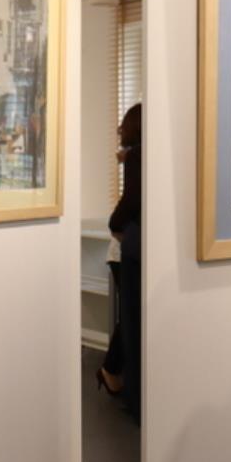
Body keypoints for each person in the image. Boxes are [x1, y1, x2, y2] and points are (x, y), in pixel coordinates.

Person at [100, 103, 141, 422]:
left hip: (128, 247)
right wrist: (115, 224)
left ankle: (111, 371)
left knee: (129, 319)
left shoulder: (135, 157)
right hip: (126, 248)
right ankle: (112, 371)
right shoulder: (137, 157)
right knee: (129, 320)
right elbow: (130, 201)